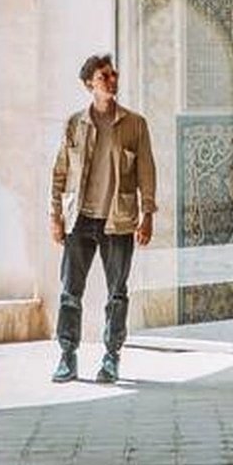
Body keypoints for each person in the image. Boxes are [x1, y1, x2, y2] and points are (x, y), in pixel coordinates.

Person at [48, 52, 156, 383]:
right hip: (80, 219)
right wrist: (55, 215)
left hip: (119, 220)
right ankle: (67, 356)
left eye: (113, 75)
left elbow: (146, 171)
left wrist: (147, 213)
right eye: (103, 77)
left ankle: (111, 357)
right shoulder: (74, 124)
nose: (111, 81)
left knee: (117, 293)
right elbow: (60, 172)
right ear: (88, 85)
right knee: (70, 291)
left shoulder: (135, 124)